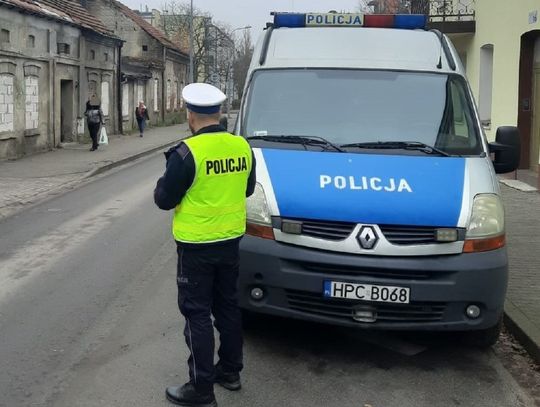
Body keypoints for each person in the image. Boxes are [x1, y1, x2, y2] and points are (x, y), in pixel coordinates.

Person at [154, 83, 256, 407]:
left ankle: (201, 389)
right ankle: (230, 371)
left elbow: (163, 199)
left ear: (190, 115)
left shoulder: (187, 153)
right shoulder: (242, 147)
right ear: (220, 113)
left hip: (196, 248)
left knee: (196, 314)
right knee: (227, 307)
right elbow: (249, 188)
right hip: (230, 243)